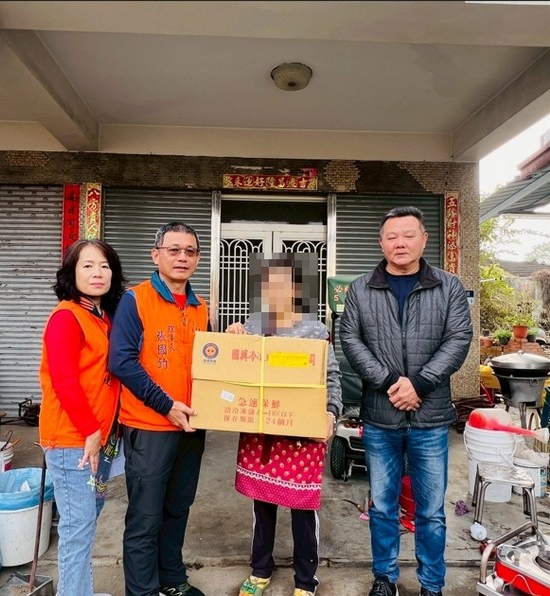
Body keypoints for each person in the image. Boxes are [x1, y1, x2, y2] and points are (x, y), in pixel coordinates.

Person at [338, 206, 473, 596]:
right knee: (382, 505)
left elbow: (458, 339)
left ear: (423, 239)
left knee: (430, 510)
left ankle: (432, 584)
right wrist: (388, 382)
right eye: (392, 236)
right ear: (381, 243)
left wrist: (419, 384)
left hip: (430, 417)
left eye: (408, 235)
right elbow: (351, 340)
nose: (400, 243)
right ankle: (385, 578)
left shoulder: (448, 286)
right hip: (380, 416)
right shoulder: (361, 288)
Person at [226, 253, 342, 596]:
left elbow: (331, 376)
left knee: (303, 507)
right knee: (262, 504)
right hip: (262, 432)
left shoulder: (315, 329)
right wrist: (231, 337)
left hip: (302, 434)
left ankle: (306, 580)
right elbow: (230, 371)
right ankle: (260, 570)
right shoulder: (252, 325)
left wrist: (331, 413)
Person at [108, 221, 209, 596]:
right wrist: (166, 405)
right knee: (145, 516)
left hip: (191, 427)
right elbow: (121, 362)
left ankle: (171, 578)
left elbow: (210, 362)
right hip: (149, 426)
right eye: (174, 250)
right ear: (156, 255)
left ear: (197, 259)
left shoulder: (201, 308)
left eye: (190, 251)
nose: (182, 257)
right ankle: (143, 591)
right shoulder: (135, 300)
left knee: (178, 508)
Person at [39, 238, 126, 596]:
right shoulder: (67, 317)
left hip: (98, 439)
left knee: (87, 522)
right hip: (73, 440)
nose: (97, 273)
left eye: (104, 266)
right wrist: (91, 431)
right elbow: (64, 381)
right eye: (87, 266)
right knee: (77, 529)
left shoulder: (102, 316)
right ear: (71, 273)